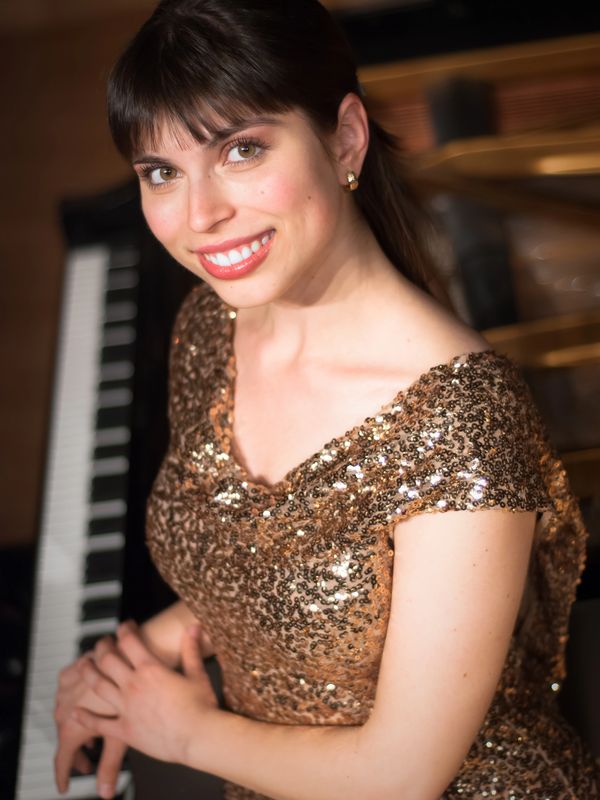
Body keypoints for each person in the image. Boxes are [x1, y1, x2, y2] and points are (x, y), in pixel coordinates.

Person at [54, 0, 600, 798]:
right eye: (161, 172)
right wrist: (134, 663)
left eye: (242, 150)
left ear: (345, 137)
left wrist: (179, 730)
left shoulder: (463, 425)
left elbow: (400, 777)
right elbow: (261, 562)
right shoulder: (211, 322)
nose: (200, 216)